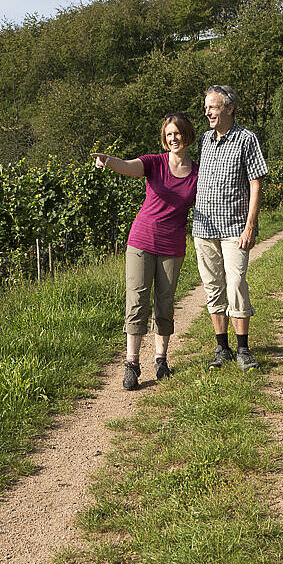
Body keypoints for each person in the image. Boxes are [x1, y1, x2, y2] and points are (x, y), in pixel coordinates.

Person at [91, 113, 198, 390]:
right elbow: (128, 166)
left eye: (177, 133)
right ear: (165, 139)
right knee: (137, 301)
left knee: (165, 303)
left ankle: (161, 360)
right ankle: (131, 363)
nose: (173, 138)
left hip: (172, 245)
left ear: (187, 135)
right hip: (141, 241)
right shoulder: (154, 163)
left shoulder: (198, 172)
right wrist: (108, 160)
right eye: (169, 134)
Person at [192, 85, 268, 371]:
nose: (207, 111)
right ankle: (221, 347)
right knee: (213, 287)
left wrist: (250, 226)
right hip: (203, 227)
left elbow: (256, 182)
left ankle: (244, 349)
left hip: (235, 227)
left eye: (213, 106)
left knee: (235, 283)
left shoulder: (246, 140)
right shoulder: (204, 141)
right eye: (206, 106)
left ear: (229, 108)